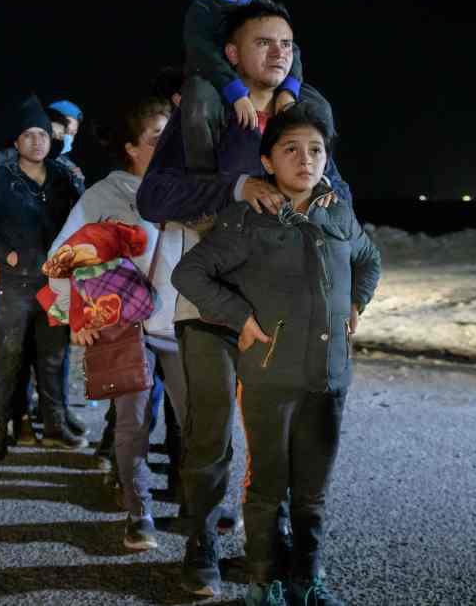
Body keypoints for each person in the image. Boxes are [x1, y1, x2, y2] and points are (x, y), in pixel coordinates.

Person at [137, 0, 350, 598]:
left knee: (279, 437)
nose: (277, 52)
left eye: (286, 43)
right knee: (210, 435)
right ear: (232, 53)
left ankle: (270, 553)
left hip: (282, 309)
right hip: (210, 304)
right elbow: (155, 198)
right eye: (263, 42)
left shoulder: (302, 117)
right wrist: (237, 185)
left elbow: (338, 197)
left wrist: (347, 287)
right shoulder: (205, 113)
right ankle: (201, 543)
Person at [173, 103, 380, 606]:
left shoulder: (337, 211)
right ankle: (263, 581)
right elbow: (190, 274)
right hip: (269, 377)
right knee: (268, 487)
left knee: (313, 491)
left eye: (315, 150)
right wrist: (240, 317)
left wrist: (356, 301)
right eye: (291, 150)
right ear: (268, 162)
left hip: (330, 378)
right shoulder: (249, 218)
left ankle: (307, 581)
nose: (305, 159)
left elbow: (369, 258)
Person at [54, 96, 186, 551]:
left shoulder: (188, 188)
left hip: (184, 324)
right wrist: (75, 314)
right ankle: (139, 510)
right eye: (157, 137)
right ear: (132, 147)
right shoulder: (102, 197)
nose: (168, 144)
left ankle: (204, 508)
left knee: (200, 422)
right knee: (132, 425)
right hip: (127, 330)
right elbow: (62, 258)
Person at [0, 94, 85, 463]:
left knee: (53, 359)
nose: (37, 141)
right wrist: (7, 255)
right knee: (9, 359)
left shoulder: (64, 179)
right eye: (28, 135)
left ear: (50, 140)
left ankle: (54, 427)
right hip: (16, 286)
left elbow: (82, 224)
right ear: (17, 142)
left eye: (42, 134)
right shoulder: (1, 180)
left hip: (56, 285)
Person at [181, 0, 338, 179]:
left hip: (267, 78)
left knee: (320, 105)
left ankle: (324, 176)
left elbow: (291, 50)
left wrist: (288, 91)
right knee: (198, 104)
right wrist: (236, 93)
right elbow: (203, 53)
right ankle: (204, 178)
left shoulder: (263, 4)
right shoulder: (202, 8)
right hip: (216, 78)